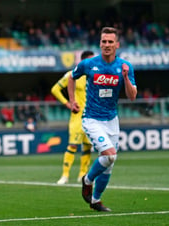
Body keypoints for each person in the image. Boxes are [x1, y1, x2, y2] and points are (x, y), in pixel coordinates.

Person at [68, 27, 137, 211]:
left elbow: (132, 96)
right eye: (104, 41)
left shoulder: (125, 67)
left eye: (110, 42)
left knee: (109, 164)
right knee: (110, 155)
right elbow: (71, 77)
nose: (107, 45)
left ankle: (95, 201)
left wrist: (125, 78)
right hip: (91, 118)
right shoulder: (89, 64)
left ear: (117, 44)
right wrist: (72, 101)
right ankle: (87, 180)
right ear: (100, 43)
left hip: (111, 120)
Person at [51, 50, 94, 185]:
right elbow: (55, 89)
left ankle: (82, 174)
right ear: (84, 61)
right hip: (77, 117)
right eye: (91, 61)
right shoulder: (73, 74)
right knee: (73, 146)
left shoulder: (95, 76)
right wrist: (68, 104)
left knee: (87, 146)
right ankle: (65, 175)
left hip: (92, 118)